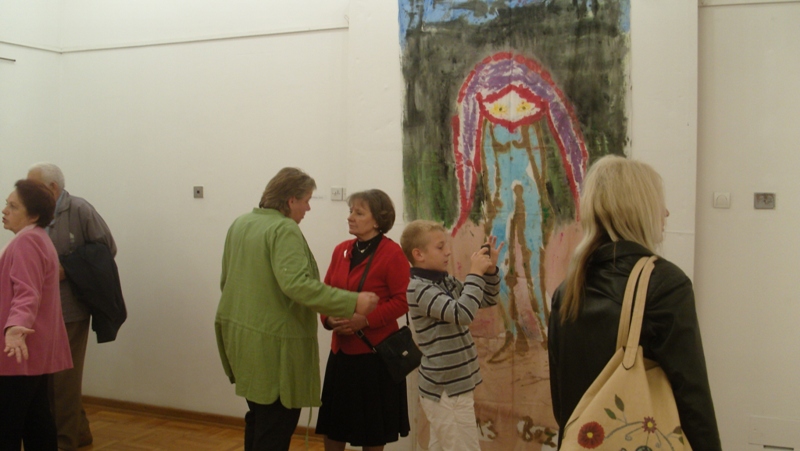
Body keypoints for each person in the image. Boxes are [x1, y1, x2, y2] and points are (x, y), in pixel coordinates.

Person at [547, 155, 722, 450]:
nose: (665, 213)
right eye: (658, 203)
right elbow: (693, 398)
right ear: (639, 210)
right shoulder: (664, 284)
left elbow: (562, 402)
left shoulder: (568, 291)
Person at [215, 167, 379, 451]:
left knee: (259, 418)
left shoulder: (241, 223)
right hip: (273, 348)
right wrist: (353, 302)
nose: (308, 208)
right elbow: (297, 285)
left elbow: (226, 281)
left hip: (243, 341)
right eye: (306, 200)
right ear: (291, 200)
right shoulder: (283, 228)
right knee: (275, 426)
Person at [27, 162, 116, 451]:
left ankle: (64, 442)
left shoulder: (79, 209)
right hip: (42, 309)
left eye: (33, 185)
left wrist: (68, 268)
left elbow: (106, 251)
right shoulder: (35, 212)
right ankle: (80, 431)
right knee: (51, 378)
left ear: (53, 187)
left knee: (63, 380)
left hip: (71, 308)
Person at [315, 190, 411, 451]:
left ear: (378, 220)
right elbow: (324, 294)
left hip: (374, 356)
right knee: (334, 425)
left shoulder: (392, 253)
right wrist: (328, 320)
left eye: (359, 213)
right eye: (351, 211)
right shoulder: (341, 251)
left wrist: (365, 321)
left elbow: (403, 300)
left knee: (372, 430)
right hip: (341, 353)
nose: (350, 217)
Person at [400, 220, 502, 451]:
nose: (448, 251)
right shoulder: (419, 288)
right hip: (446, 388)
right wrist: (475, 273)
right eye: (440, 247)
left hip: (455, 385)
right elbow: (462, 313)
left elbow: (485, 299)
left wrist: (489, 271)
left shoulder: (443, 280)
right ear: (418, 254)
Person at [1, 179, 73, 450]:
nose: (4, 210)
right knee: (36, 418)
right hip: (31, 347)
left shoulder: (27, 242)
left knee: (8, 422)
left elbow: (27, 293)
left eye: (13, 206)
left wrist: (14, 328)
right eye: (6, 204)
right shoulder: (37, 237)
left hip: (20, 348)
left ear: (32, 215)